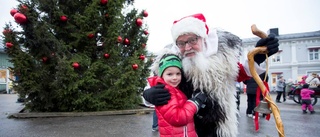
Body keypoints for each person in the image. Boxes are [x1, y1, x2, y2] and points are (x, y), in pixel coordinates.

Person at [143, 13, 279, 137]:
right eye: (181, 43)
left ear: (203, 38)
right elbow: (157, 83)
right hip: (184, 130)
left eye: (192, 40)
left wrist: (258, 57)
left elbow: (241, 72)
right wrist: (148, 95)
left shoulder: (222, 58)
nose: (187, 47)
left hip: (217, 129)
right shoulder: (173, 62)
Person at [147, 53, 207, 137]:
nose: (175, 77)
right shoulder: (164, 93)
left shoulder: (176, 89)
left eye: (178, 74)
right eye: (170, 74)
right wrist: (195, 102)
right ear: (161, 75)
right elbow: (178, 118)